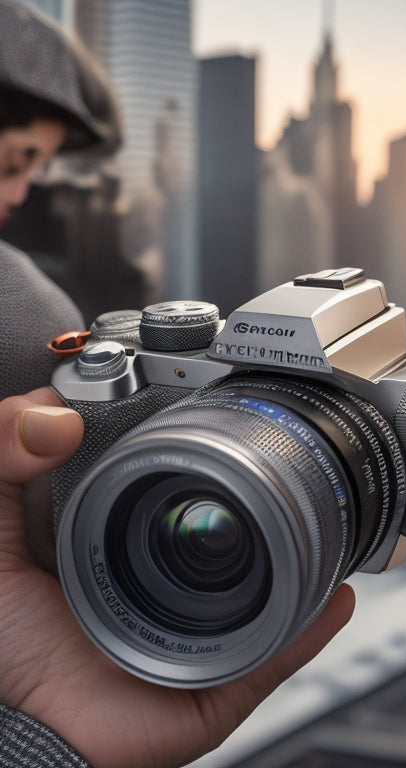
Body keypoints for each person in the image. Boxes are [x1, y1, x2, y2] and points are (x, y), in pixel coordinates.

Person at [0, 3, 356, 766]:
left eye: (32, 169)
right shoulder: (22, 305)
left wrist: (50, 740)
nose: (21, 193)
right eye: (11, 161)